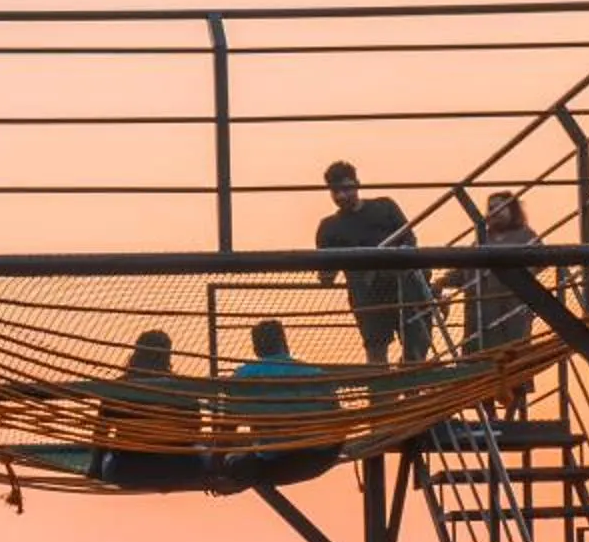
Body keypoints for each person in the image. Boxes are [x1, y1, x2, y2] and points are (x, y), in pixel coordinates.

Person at [313, 160, 428, 367]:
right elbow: (326, 275)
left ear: (357, 184)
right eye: (335, 191)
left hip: (402, 290)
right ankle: (383, 398)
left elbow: (409, 241)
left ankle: (409, 389)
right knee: (376, 352)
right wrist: (326, 274)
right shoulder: (329, 227)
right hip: (366, 297)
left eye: (346, 189)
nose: (341, 196)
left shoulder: (385, 206)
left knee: (416, 349)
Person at [214, 319, 340, 490]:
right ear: (284, 343)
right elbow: (336, 420)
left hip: (277, 464)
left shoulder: (243, 378)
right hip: (320, 459)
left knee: (236, 464)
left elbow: (229, 427)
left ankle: (231, 481)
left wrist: (216, 465)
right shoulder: (315, 374)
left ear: (256, 348)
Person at [89, 329, 207, 489]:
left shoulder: (118, 388)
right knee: (206, 452)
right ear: (167, 355)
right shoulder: (183, 389)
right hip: (180, 468)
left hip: (128, 470)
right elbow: (194, 432)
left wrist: (94, 470)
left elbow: (101, 434)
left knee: (109, 457)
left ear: (138, 352)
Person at [441, 189, 542, 355]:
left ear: (512, 210)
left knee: (514, 360)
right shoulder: (482, 239)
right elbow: (465, 268)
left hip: (510, 311)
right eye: (490, 208)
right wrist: (442, 282)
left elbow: (538, 262)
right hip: (479, 315)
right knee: (475, 359)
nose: (493, 212)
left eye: (499, 208)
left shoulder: (526, 237)